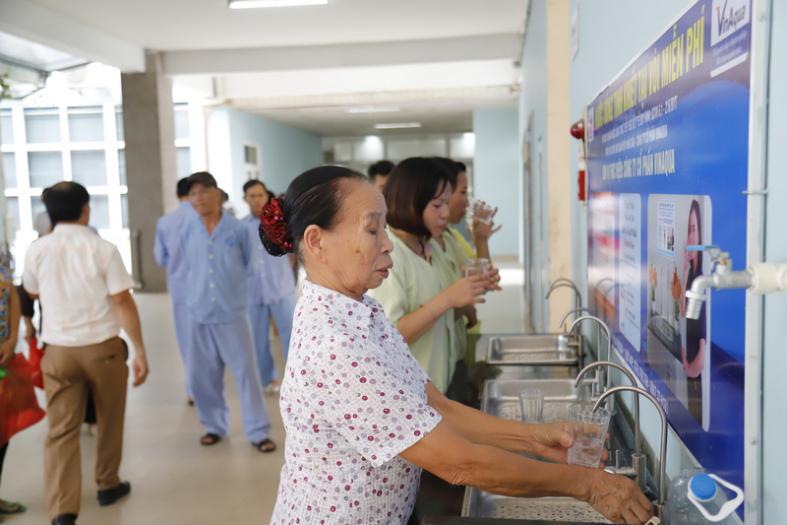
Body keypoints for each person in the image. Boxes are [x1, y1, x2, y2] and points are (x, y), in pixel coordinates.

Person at [263, 166, 653, 525]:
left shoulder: (363, 312)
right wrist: (589, 486)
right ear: (316, 241)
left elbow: (437, 406)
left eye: (385, 229)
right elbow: (459, 463)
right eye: (372, 230)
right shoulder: (333, 345)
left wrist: (536, 438)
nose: (387, 244)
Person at [22, 182, 150, 525]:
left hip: (58, 352)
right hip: (102, 349)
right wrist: (139, 350)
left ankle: (63, 510)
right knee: (109, 418)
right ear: (86, 209)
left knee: (61, 431)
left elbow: (31, 292)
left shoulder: (37, 250)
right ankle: (108, 484)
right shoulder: (102, 248)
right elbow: (122, 301)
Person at [369, 157, 486, 394]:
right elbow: (390, 335)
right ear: (410, 201)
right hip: (410, 396)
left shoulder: (428, 246)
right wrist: (448, 298)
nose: (445, 214)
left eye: (446, 203)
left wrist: (463, 302)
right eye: (437, 205)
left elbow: (439, 317)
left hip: (440, 385)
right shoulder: (390, 255)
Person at [179, 172, 275, 452]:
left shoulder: (238, 229)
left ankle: (258, 431)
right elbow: (188, 266)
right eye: (192, 194)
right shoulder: (188, 229)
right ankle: (214, 426)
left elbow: (250, 265)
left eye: (202, 191)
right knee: (202, 376)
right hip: (198, 313)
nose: (198, 198)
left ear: (216, 193)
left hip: (232, 313)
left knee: (247, 374)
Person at [241, 179, 297, 394]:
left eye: (260, 195)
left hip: (281, 288)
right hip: (253, 291)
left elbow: (292, 252)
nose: (256, 200)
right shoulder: (241, 227)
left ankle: (296, 380)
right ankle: (267, 379)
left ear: (267, 196)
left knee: (290, 335)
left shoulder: (279, 223)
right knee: (258, 339)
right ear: (245, 199)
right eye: (252, 196)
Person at [154, 177, 196, 403]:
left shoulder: (165, 222)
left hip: (180, 289)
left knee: (187, 341)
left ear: (177, 194)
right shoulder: (206, 218)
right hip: (210, 290)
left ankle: (192, 390)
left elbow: (160, 258)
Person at [0, 244, 27, 520]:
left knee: (2, 431)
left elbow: (12, 297)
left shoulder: (0, 252)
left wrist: (11, 339)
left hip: (3, 355)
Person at [680, 200, 706, 422]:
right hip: (689, 359)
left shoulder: (703, 277)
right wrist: (684, 267)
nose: (690, 236)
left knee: (698, 415)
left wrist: (693, 367)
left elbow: (704, 340)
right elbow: (683, 310)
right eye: (688, 230)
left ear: (700, 235)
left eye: (693, 229)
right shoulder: (691, 272)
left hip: (697, 365)